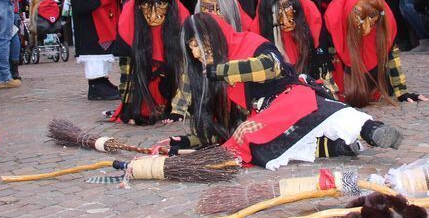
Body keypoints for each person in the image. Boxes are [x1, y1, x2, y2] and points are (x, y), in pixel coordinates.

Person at [166, 13, 405, 167]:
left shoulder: (251, 43)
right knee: (255, 146)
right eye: (192, 48)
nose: (196, 53)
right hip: (264, 117)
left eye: (199, 45)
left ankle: (372, 130)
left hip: (289, 97)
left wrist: (223, 70)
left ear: (215, 36)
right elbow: (223, 126)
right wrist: (188, 141)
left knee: (328, 111)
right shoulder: (210, 76)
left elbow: (271, 67)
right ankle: (332, 147)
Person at [322, 0, 424, 107]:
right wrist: (331, 96)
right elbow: (326, 63)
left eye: (372, 17)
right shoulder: (334, 19)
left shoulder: (386, 24)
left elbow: (392, 57)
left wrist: (402, 92)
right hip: (345, 83)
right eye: (360, 16)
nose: (366, 26)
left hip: (374, 81)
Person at [110, 0, 189, 125]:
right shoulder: (128, 27)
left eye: (160, 4)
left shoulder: (184, 23)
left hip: (175, 85)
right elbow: (126, 73)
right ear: (138, 6)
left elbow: (187, 72)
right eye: (146, 5)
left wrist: (179, 109)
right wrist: (128, 106)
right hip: (145, 89)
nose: (153, 15)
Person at [250, 0, 324, 78]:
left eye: (288, 8)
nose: (285, 21)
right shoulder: (258, 37)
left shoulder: (313, 22)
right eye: (277, 13)